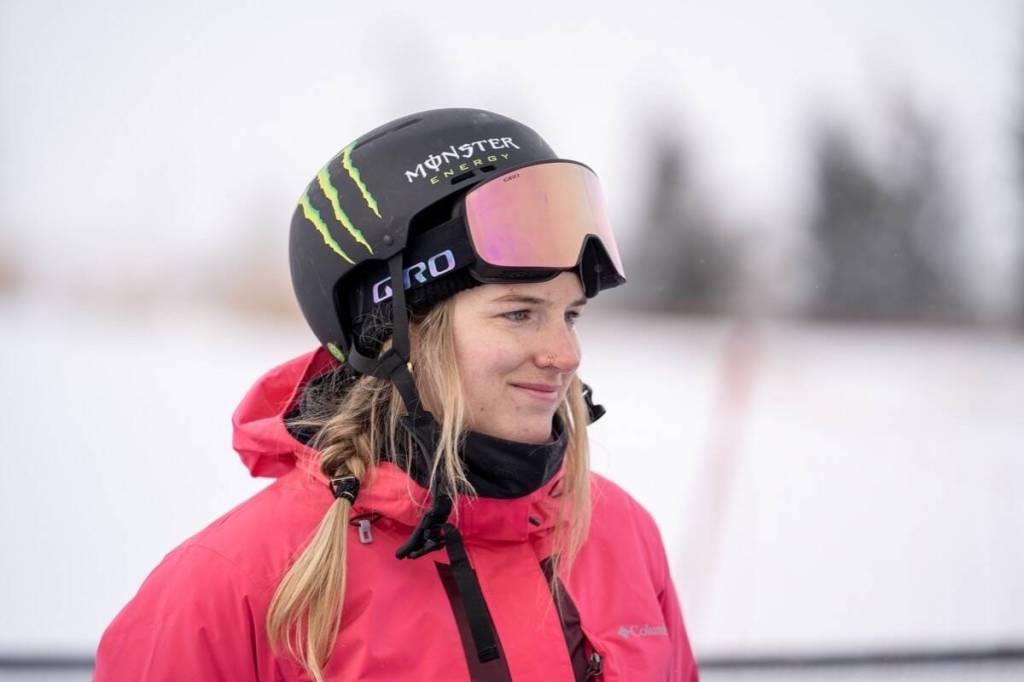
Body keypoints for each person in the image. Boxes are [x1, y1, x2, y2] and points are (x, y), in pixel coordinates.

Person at [94, 108, 699, 681]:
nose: (565, 356)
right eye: (519, 314)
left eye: (570, 315)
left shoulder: (617, 531)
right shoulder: (231, 588)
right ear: (398, 338)